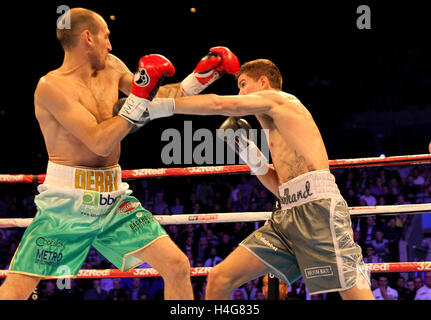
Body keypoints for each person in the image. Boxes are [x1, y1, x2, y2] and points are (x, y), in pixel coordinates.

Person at [0, 7, 239, 300]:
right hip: (66, 204)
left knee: (177, 266)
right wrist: (138, 99)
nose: (110, 45)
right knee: (15, 292)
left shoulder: (112, 66)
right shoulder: (52, 87)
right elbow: (98, 141)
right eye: (106, 36)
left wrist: (201, 78)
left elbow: (154, 99)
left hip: (114, 198)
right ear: (88, 37)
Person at [169, 58, 375, 299]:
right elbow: (280, 187)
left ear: (263, 82)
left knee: (354, 295)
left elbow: (219, 103)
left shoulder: (281, 99)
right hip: (285, 216)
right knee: (219, 278)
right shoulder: (273, 125)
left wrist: (161, 105)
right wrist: (247, 151)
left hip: (319, 211)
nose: (239, 93)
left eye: (243, 84)